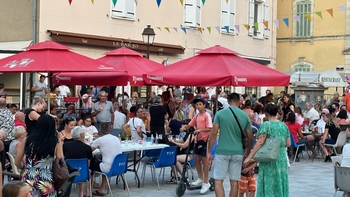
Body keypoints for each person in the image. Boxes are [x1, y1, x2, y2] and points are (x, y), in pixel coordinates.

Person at [207, 93, 253, 197]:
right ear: (239, 101)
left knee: (218, 180)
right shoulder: (244, 116)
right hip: (237, 152)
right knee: (234, 181)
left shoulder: (220, 114)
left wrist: (209, 151)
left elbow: (213, 133)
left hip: (222, 151)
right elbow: (250, 138)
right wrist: (247, 153)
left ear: (228, 101)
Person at [244, 103, 290, 197]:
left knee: (269, 181)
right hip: (281, 156)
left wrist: (250, 156)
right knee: (280, 180)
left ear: (266, 113)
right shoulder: (284, 125)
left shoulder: (266, 125)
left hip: (269, 156)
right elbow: (288, 144)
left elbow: (260, 142)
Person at [16, 114, 62, 197]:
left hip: (28, 179)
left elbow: (16, 162)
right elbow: (61, 161)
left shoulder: (27, 140)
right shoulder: (55, 142)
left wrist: (24, 167)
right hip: (46, 180)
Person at [180, 97, 212, 194]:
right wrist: (183, 128)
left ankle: (206, 182)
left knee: (205, 161)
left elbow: (210, 128)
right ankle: (200, 178)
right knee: (196, 158)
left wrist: (200, 130)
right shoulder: (197, 116)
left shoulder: (207, 115)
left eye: (200, 104)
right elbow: (189, 125)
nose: (198, 106)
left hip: (205, 140)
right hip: (197, 140)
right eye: (197, 105)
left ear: (204, 105)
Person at [90, 122, 122, 196]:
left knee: (89, 164)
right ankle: (101, 188)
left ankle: (91, 186)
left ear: (100, 131)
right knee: (104, 162)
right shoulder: (116, 138)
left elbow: (89, 150)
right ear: (110, 129)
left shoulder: (100, 140)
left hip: (107, 167)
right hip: (119, 167)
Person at [63, 126, 93, 197]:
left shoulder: (65, 145)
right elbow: (88, 165)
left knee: (78, 167)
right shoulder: (87, 147)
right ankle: (84, 193)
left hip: (68, 174)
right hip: (83, 175)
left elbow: (63, 159)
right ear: (82, 135)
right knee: (84, 168)